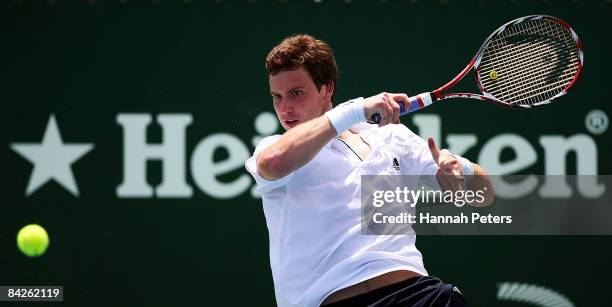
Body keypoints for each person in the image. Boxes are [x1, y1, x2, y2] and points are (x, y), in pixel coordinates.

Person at [245, 34, 494, 307]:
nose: (285, 108)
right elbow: (273, 163)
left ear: (327, 90)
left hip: (417, 294)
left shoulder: (390, 136)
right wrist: (355, 110)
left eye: (296, 93)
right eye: (276, 97)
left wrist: (462, 171)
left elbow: (484, 195)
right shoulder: (277, 147)